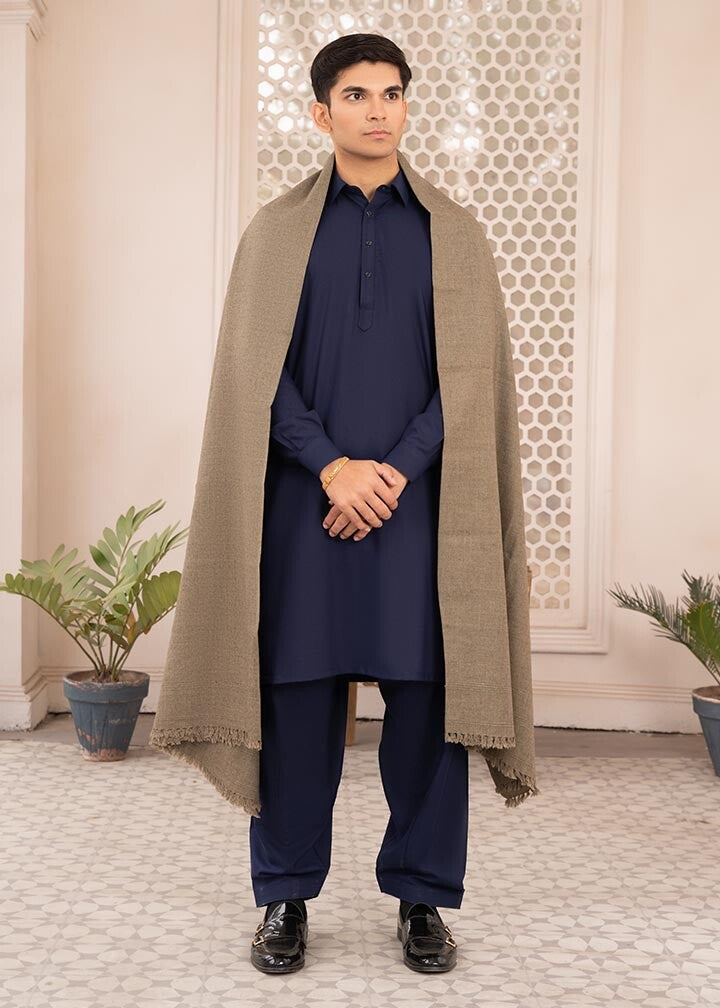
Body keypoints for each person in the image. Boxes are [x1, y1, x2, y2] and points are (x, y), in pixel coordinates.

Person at [250, 34, 465, 975]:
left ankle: (423, 898)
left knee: (427, 706)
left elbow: (471, 381)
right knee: (296, 705)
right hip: (308, 508)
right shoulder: (277, 233)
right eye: (356, 94)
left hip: (418, 512)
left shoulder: (453, 234)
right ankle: (284, 896)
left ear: (407, 106)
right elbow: (255, 373)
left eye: (391, 93)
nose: (378, 109)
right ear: (320, 112)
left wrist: (393, 472)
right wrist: (333, 467)